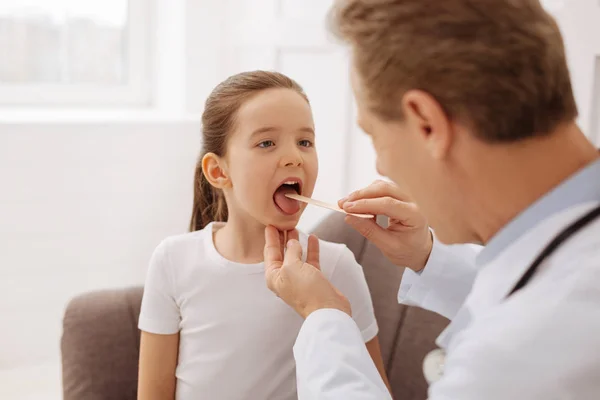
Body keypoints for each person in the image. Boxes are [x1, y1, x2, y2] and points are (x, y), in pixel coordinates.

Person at [263, 0, 600, 399]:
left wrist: (324, 319)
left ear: (426, 123)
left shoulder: (514, 357)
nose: (381, 165)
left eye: (374, 135)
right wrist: (427, 256)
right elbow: (537, 284)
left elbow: (533, 324)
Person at [136, 71, 390, 400]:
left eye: (305, 142)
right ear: (218, 171)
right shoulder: (173, 260)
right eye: (266, 143)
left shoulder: (336, 267)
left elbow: (374, 389)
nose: (294, 157)